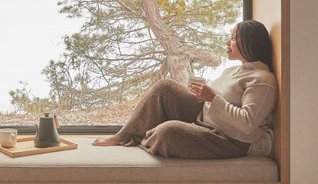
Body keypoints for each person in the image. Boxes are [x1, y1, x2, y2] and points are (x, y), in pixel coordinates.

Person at [92, 19, 277, 159]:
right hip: (203, 117)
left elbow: (248, 124)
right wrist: (202, 95)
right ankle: (123, 136)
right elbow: (216, 99)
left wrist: (212, 98)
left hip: (226, 139)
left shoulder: (262, 80)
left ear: (249, 42)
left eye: (233, 38)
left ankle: (149, 138)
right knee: (165, 87)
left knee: (169, 132)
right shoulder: (233, 70)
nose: (228, 42)